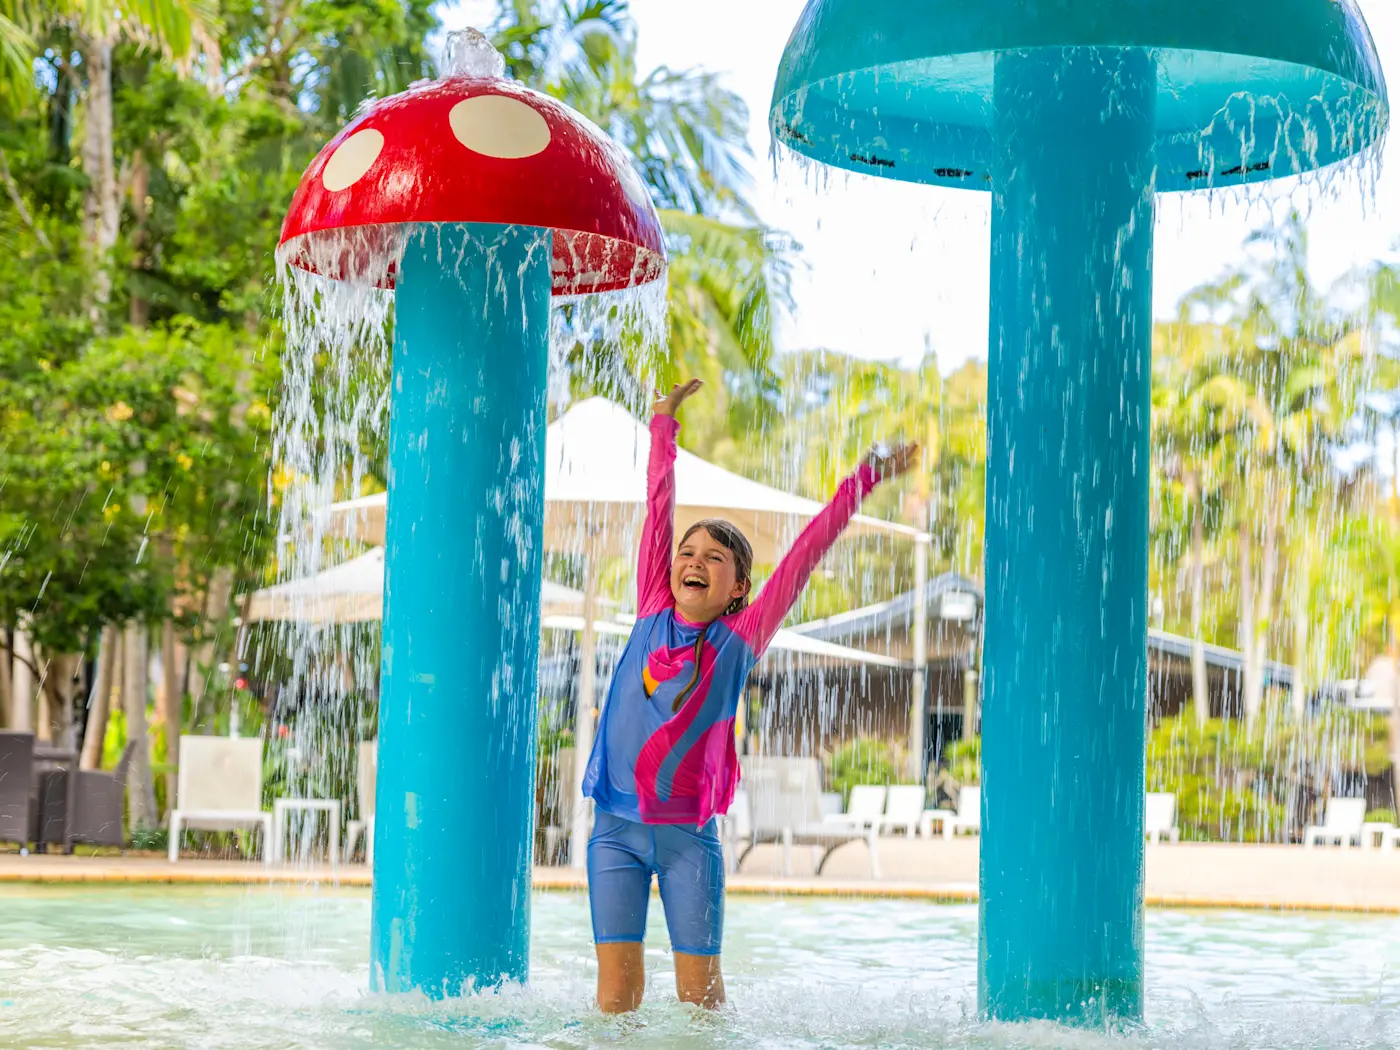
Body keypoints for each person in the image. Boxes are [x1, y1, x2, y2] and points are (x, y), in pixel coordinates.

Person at [581, 378, 919, 1013]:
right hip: (614, 834)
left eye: (716, 557)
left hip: (689, 842)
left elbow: (807, 552)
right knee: (616, 997)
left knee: (700, 1003)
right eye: (689, 551)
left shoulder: (740, 637)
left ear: (739, 588)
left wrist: (865, 478)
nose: (696, 560)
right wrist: (663, 426)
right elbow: (659, 507)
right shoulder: (652, 605)